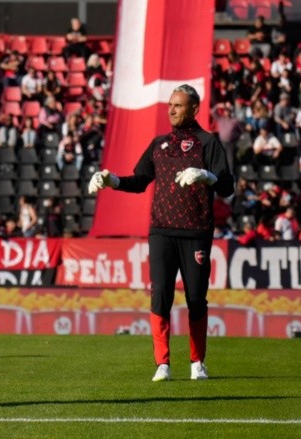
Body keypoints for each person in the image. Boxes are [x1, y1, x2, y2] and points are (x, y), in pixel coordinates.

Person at [88, 84, 234, 382]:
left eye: (178, 105)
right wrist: (111, 180)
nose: (172, 110)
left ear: (194, 109)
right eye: (170, 104)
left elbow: (228, 187)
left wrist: (207, 176)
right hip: (161, 232)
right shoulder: (159, 144)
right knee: (160, 297)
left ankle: (197, 362)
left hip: (196, 231)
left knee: (196, 298)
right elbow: (140, 180)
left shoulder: (208, 143)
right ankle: (162, 364)